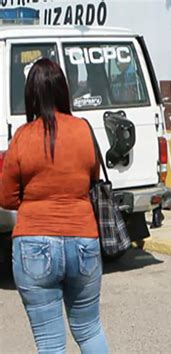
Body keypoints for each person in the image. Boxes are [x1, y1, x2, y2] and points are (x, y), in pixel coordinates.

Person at [1, 58, 108, 353]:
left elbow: (6, 197)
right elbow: (92, 179)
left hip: (34, 242)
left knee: (50, 342)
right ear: (64, 91)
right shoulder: (83, 130)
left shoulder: (22, 137)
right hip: (83, 239)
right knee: (89, 329)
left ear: (31, 94)